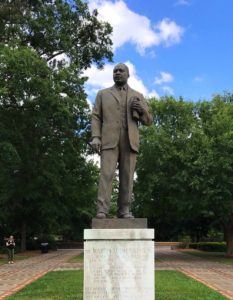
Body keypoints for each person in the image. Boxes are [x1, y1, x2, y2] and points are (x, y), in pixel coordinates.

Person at [91, 63, 152, 219]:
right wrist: (96, 137)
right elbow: (96, 116)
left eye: (121, 71)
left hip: (130, 140)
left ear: (128, 74)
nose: (117, 73)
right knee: (106, 175)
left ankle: (124, 210)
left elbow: (149, 121)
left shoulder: (137, 95)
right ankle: (102, 210)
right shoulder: (102, 94)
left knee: (127, 176)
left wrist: (142, 109)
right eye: (115, 71)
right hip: (109, 140)